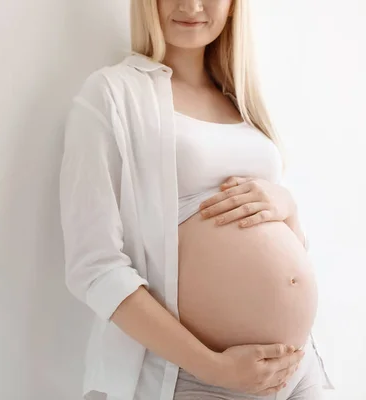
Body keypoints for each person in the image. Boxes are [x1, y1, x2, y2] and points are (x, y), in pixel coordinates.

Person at [59, 1, 334, 399]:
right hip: (192, 377)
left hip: (297, 368)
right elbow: (94, 267)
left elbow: (286, 248)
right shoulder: (114, 93)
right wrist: (215, 366)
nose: (191, 5)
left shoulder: (242, 102)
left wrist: (287, 207)